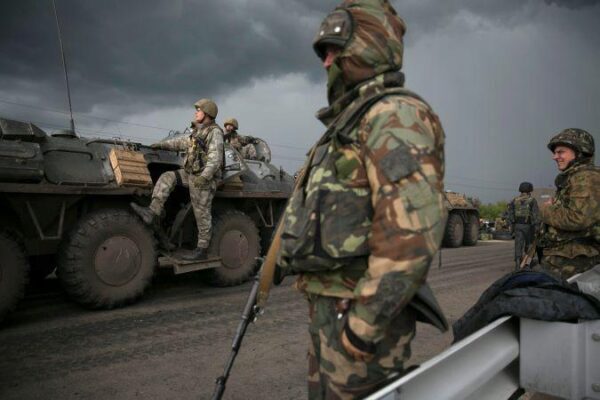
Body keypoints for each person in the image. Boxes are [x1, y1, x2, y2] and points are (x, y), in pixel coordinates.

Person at [275, 1, 447, 398]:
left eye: (335, 51)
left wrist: (364, 326)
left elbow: (411, 233)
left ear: (368, 47)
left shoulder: (394, 116)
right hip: (329, 312)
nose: (326, 63)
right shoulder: (349, 122)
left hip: (358, 322)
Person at [131, 99, 224, 261]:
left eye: (199, 110)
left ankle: (202, 249)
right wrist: (161, 145)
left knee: (201, 213)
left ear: (207, 113)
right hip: (191, 174)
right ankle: (153, 212)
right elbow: (180, 142)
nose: (196, 112)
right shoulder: (197, 132)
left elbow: (215, 160)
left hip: (204, 179)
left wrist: (204, 177)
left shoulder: (214, 133)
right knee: (167, 177)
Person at [538, 128, 600, 280]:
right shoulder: (574, 178)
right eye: (555, 153)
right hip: (567, 261)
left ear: (580, 151)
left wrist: (546, 210)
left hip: (575, 265)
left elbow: (577, 217)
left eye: (561, 152)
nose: (555, 157)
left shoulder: (586, 178)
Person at [507, 182, 540, 269]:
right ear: (530, 190)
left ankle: (518, 263)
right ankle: (528, 264)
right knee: (529, 245)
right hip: (529, 226)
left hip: (517, 226)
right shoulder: (532, 200)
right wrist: (537, 227)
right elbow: (536, 215)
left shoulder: (514, 200)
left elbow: (510, 215)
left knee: (518, 244)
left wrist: (512, 226)